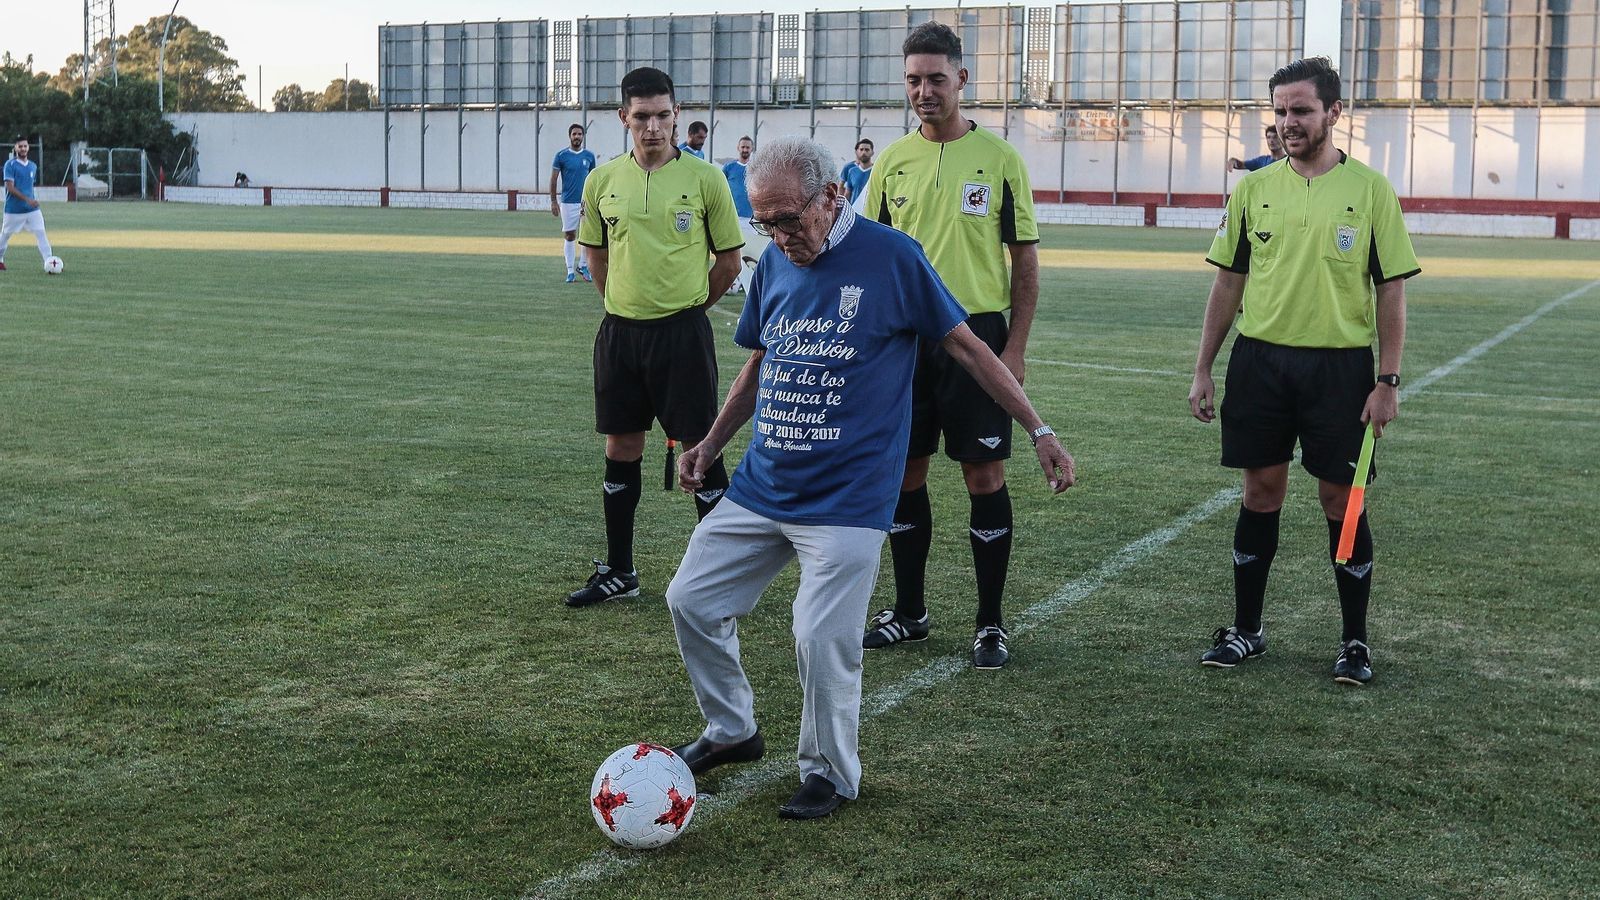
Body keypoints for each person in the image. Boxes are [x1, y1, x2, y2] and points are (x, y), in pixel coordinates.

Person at [666, 136, 1073, 820]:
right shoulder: (773, 263)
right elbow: (761, 366)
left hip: (847, 500)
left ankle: (828, 772)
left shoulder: (893, 258)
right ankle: (732, 729)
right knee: (691, 600)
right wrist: (710, 444)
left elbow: (969, 350)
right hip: (763, 487)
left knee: (820, 636)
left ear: (834, 195)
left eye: (789, 219)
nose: (780, 236)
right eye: (765, 223)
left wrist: (1039, 431)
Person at [1189, 56, 1419, 686]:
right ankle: (1247, 630)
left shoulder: (1371, 192)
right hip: (1260, 363)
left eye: (1302, 110)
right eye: (1282, 111)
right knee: (1260, 493)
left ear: (1334, 113)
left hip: (1341, 370)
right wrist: (1203, 367)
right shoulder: (1254, 190)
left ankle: (1353, 641)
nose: (1289, 122)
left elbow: (1391, 289)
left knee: (1341, 503)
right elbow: (1228, 281)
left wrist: (1388, 379)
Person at [862, 21, 1042, 670]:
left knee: (983, 473)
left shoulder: (1000, 160)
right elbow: (870, 257)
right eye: (913, 79)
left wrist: (1014, 348)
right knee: (904, 473)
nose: (924, 90)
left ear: (962, 79)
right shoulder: (891, 161)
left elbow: (1024, 261)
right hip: (904, 344)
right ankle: (910, 612)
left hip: (979, 336)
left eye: (936, 78)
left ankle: (990, 623)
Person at [566, 67, 744, 608]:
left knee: (701, 450)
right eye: (641, 117)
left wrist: (689, 310)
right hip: (620, 333)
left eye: (663, 116)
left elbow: (730, 261)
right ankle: (620, 570)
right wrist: (620, 303)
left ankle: (723, 579)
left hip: (682, 335)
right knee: (621, 446)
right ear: (624, 118)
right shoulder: (602, 181)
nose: (653, 127)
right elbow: (595, 255)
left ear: (676, 115)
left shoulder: (706, 179)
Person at [551, 123, 598, 283]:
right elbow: (554, 178)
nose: (577, 137)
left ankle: (583, 265)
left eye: (579, 134)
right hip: (568, 203)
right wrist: (553, 201)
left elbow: (593, 180)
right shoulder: (561, 156)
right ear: (569, 136)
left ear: (583, 136)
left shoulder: (589, 156)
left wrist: (596, 200)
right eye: (574, 134)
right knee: (570, 235)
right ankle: (570, 270)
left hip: (586, 203)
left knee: (586, 236)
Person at [1, 138, 53, 272]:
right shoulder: (10, 165)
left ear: (28, 148)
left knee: (41, 233)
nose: (23, 149)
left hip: (32, 210)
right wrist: (27, 199)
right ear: (15, 148)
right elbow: (10, 187)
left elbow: (28, 186)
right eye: (20, 146)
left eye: (25, 146)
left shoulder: (33, 166)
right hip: (13, 210)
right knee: (5, 236)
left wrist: (31, 201)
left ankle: (50, 262)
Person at [722, 136, 754, 218]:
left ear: (752, 149)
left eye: (748, 147)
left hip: (751, 217)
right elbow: (721, 189)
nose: (745, 150)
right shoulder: (728, 167)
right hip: (733, 216)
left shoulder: (755, 168)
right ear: (738, 148)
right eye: (743, 147)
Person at [838, 138, 873, 213]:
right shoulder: (852, 171)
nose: (864, 152)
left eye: (867, 150)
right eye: (861, 149)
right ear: (857, 152)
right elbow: (848, 192)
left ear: (872, 152)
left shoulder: (876, 170)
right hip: (855, 211)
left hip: (871, 211)